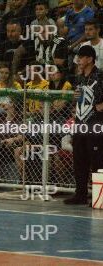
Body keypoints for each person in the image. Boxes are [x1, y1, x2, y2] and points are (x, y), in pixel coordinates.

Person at [64, 45, 103, 204]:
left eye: (81, 57)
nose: (78, 60)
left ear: (90, 59)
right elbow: (81, 99)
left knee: (98, 161)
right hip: (80, 124)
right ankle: (80, 194)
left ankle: (99, 197)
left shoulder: (100, 76)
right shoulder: (79, 77)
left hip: (96, 124)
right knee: (79, 160)